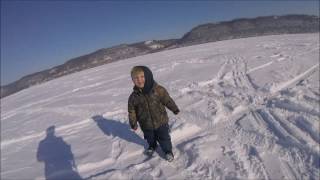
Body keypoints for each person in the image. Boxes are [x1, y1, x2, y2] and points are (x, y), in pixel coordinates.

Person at [128, 65, 180, 162]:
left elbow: (167, 100)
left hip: (161, 122)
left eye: (142, 77)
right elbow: (132, 111)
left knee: (164, 138)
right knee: (149, 138)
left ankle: (168, 151)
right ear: (133, 80)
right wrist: (133, 123)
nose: (139, 80)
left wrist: (174, 108)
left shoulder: (158, 89)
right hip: (146, 124)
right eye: (136, 78)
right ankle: (152, 146)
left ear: (148, 76)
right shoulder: (133, 97)